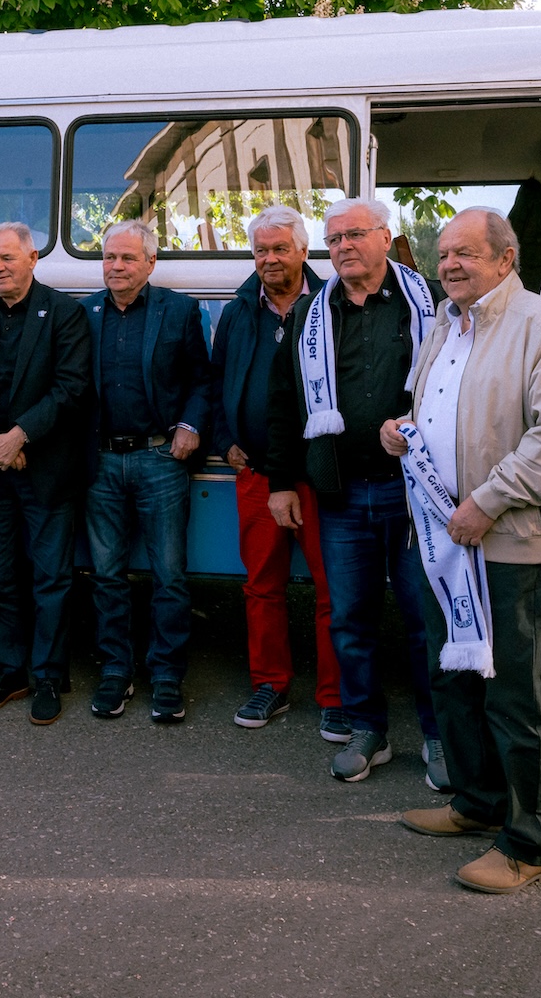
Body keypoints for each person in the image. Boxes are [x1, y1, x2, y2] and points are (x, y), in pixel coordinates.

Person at [386, 208, 541, 895]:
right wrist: (403, 430)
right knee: (451, 674)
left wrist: (487, 502)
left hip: (508, 539)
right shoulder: (448, 323)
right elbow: (437, 411)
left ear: (505, 260)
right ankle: (476, 804)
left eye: (466, 254)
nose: (449, 265)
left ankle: (530, 845)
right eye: (443, 254)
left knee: (512, 692)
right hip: (446, 539)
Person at [263, 197, 444, 784]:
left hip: (419, 496)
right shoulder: (310, 316)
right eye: (333, 238)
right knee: (351, 620)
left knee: (426, 620)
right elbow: (284, 402)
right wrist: (283, 482)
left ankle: (440, 736)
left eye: (355, 235)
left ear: (386, 239)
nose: (342, 246)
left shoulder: (433, 306)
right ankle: (368, 728)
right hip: (341, 496)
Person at [0, 221, 92, 726]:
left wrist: (20, 436)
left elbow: (71, 388)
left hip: (44, 467)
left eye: (7, 257)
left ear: (32, 258)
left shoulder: (65, 312)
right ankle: (11, 669)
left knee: (51, 579)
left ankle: (48, 674)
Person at [208, 207, 345, 739]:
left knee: (333, 589)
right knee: (261, 587)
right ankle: (271, 684)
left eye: (279, 249)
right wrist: (225, 441)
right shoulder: (240, 310)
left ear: (303, 251)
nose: (269, 259)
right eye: (261, 250)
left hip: (320, 475)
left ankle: (336, 695)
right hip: (259, 474)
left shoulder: (332, 304)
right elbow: (216, 380)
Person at [80, 220, 215, 723]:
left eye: (127, 258)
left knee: (169, 576)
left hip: (160, 459)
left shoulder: (179, 310)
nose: (116, 267)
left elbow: (204, 379)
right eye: (110, 258)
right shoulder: (85, 313)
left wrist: (190, 424)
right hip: (100, 462)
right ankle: (116, 671)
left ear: (150, 263)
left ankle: (165, 675)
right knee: (108, 575)